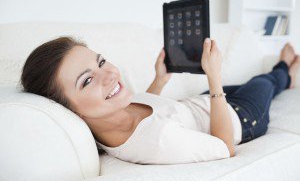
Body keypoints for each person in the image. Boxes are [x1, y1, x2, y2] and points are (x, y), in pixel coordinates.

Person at [20, 36, 300, 165]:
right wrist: (214, 75)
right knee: (266, 83)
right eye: (87, 80)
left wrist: (160, 78)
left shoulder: (112, 113)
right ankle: (285, 70)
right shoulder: (158, 143)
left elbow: (149, 110)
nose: (109, 74)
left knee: (254, 82)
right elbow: (225, 148)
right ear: (70, 111)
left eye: (101, 61)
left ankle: (281, 72)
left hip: (203, 103)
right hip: (240, 118)